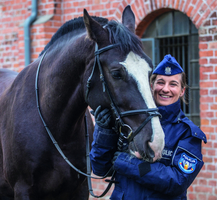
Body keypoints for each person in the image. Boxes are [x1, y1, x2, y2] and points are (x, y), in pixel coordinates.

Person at [89, 54, 207, 200]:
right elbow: (100, 168)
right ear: (151, 86)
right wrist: (104, 130)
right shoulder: (129, 121)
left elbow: (177, 182)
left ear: (182, 91)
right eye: (161, 82)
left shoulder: (187, 133)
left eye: (173, 84)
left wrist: (128, 163)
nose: (165, 89)